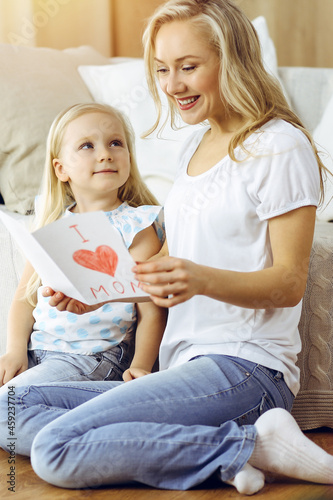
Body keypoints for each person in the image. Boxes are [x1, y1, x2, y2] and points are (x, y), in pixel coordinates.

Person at [1, 0, 332, 495]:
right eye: (162, 70)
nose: (172, 85)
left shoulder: (278, 144)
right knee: (9, 409)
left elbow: (286, 284)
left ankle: (247, 447)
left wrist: (198, 277)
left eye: (189, 67)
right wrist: (104, 294)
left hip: (244, 367)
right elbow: (164, 276)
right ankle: (224, 443)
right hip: (182, 366)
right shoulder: (193, 147)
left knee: (55, 449)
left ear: (234, 59)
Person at [0, 102, 166, 390]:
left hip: (96, 356)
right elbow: (25, 297)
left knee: (9, 409)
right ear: (61, 169)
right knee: (13, 410)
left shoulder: (137, 225)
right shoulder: (53, 225)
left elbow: (150, 308)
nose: (105, 154)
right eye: (87, 146)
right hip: (38, 352)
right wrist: (15, 351)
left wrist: (141, 365)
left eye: (116, 143)